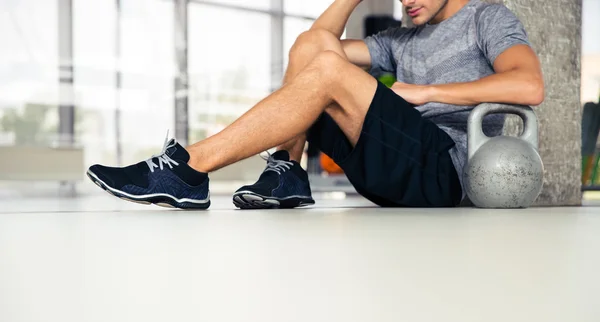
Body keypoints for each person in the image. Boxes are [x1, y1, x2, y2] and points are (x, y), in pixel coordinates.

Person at [87, 0, 544, 210]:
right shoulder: (402, 38)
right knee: (313, 49)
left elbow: (529, 86)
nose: (406, 0)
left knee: (326, 69)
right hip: (392, 168)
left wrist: (427, 93)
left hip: (444, 170)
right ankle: (287, 171)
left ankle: (189, 168)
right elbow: (315, 46)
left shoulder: (488, 17)